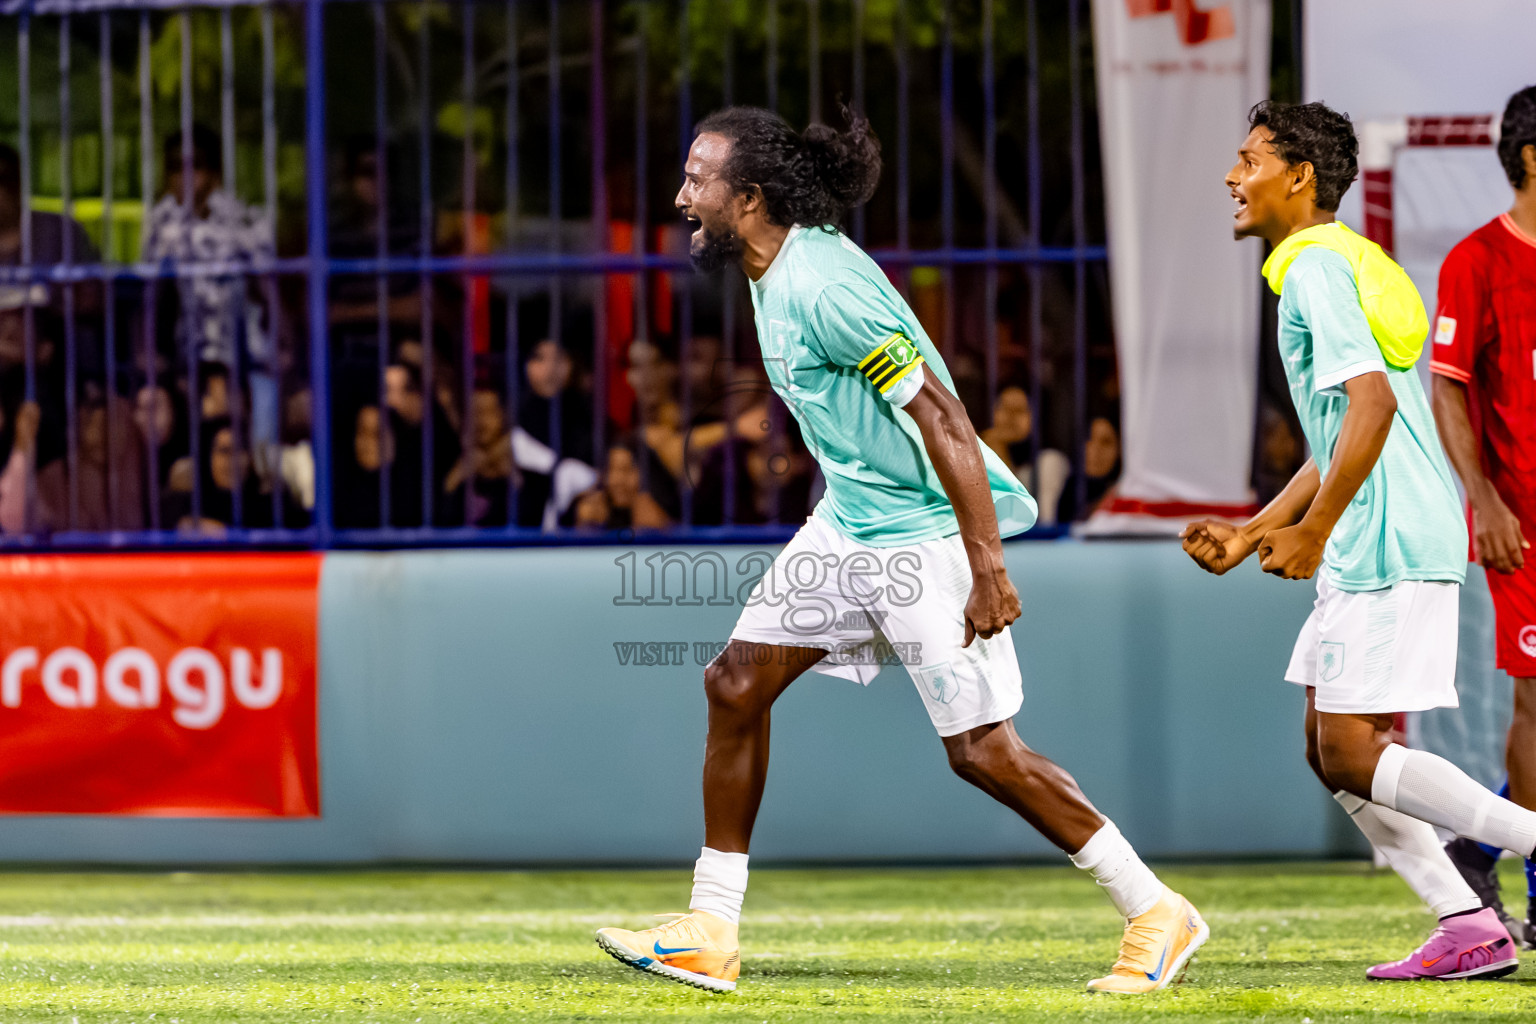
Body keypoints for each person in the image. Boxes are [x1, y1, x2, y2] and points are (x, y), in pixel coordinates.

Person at [594, 105, 1207, 995]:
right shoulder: (768, 269)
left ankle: (1156, 909)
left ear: (751, 198)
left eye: (699, 179)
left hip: (923, 540)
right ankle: (709, 930)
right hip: (849, 523)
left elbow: (945, 419)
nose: (683, 195)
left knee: (984, 753)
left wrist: (987, 562)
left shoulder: (826, 287)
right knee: (733, 682)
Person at [1183, 99, 1536, 981]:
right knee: (1328, 749)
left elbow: (1373, 408)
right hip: (1379, 530)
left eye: (1249, 158)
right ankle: (1468, 925)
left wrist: (1316, 528)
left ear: (1298, 176)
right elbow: (1340, 432)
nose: (1233, 175)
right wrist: (1259, 529)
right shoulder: (1332, 262)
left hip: (1386, 534)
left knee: (1350, 748)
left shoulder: (1311, 271)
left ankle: (1517, 855)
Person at [1428, 84, 1536, 946]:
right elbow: (1450, 390)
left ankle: (1477, 840)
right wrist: (1487, 500)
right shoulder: (1477, 260)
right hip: (1522, 528)